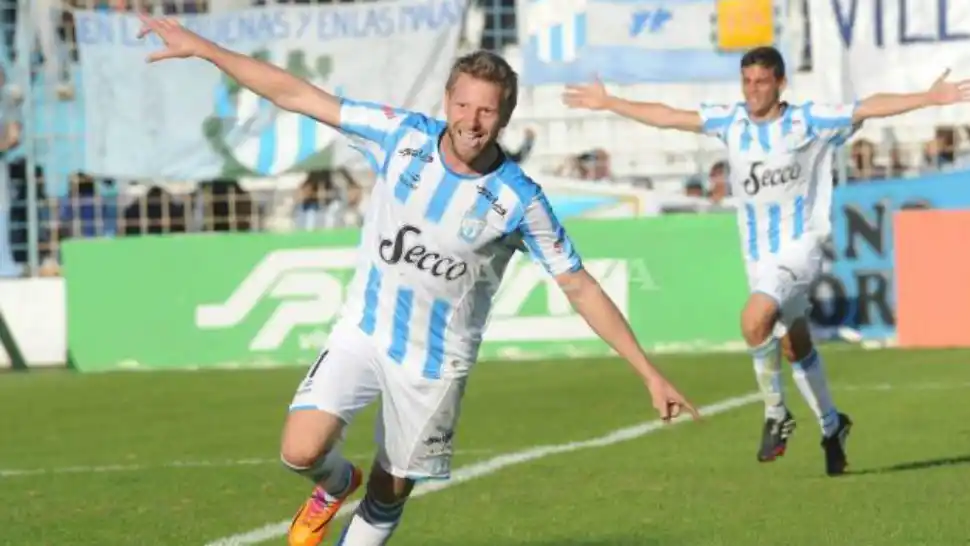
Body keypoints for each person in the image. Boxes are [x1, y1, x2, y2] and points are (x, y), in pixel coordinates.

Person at [136, 14, 700, 546]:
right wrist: (207, 50)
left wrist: (647, 372)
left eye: (487, 111)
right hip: (365, 329)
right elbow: (296, 94)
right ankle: (335, 484)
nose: (472, 121)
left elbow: (578, 285)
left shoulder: (518, 199)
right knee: (299, 450)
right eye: (463, 104)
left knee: (392, 486)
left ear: (504, 117)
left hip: (434, 364)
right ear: (447, 101)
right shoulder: (400, 136)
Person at [563, 46, 970, 476]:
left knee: (753, 320)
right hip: (757, 255)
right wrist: (609, 103)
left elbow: (867, 106)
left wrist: (928, 98)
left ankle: (776, 413)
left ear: (780, 84)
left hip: (800, 248)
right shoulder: (731, 122)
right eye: (747, 82)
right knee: (795, 343)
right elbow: (668, 115)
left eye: (761, 82)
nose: (753, 90)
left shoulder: (806, 121)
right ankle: (833, 426)